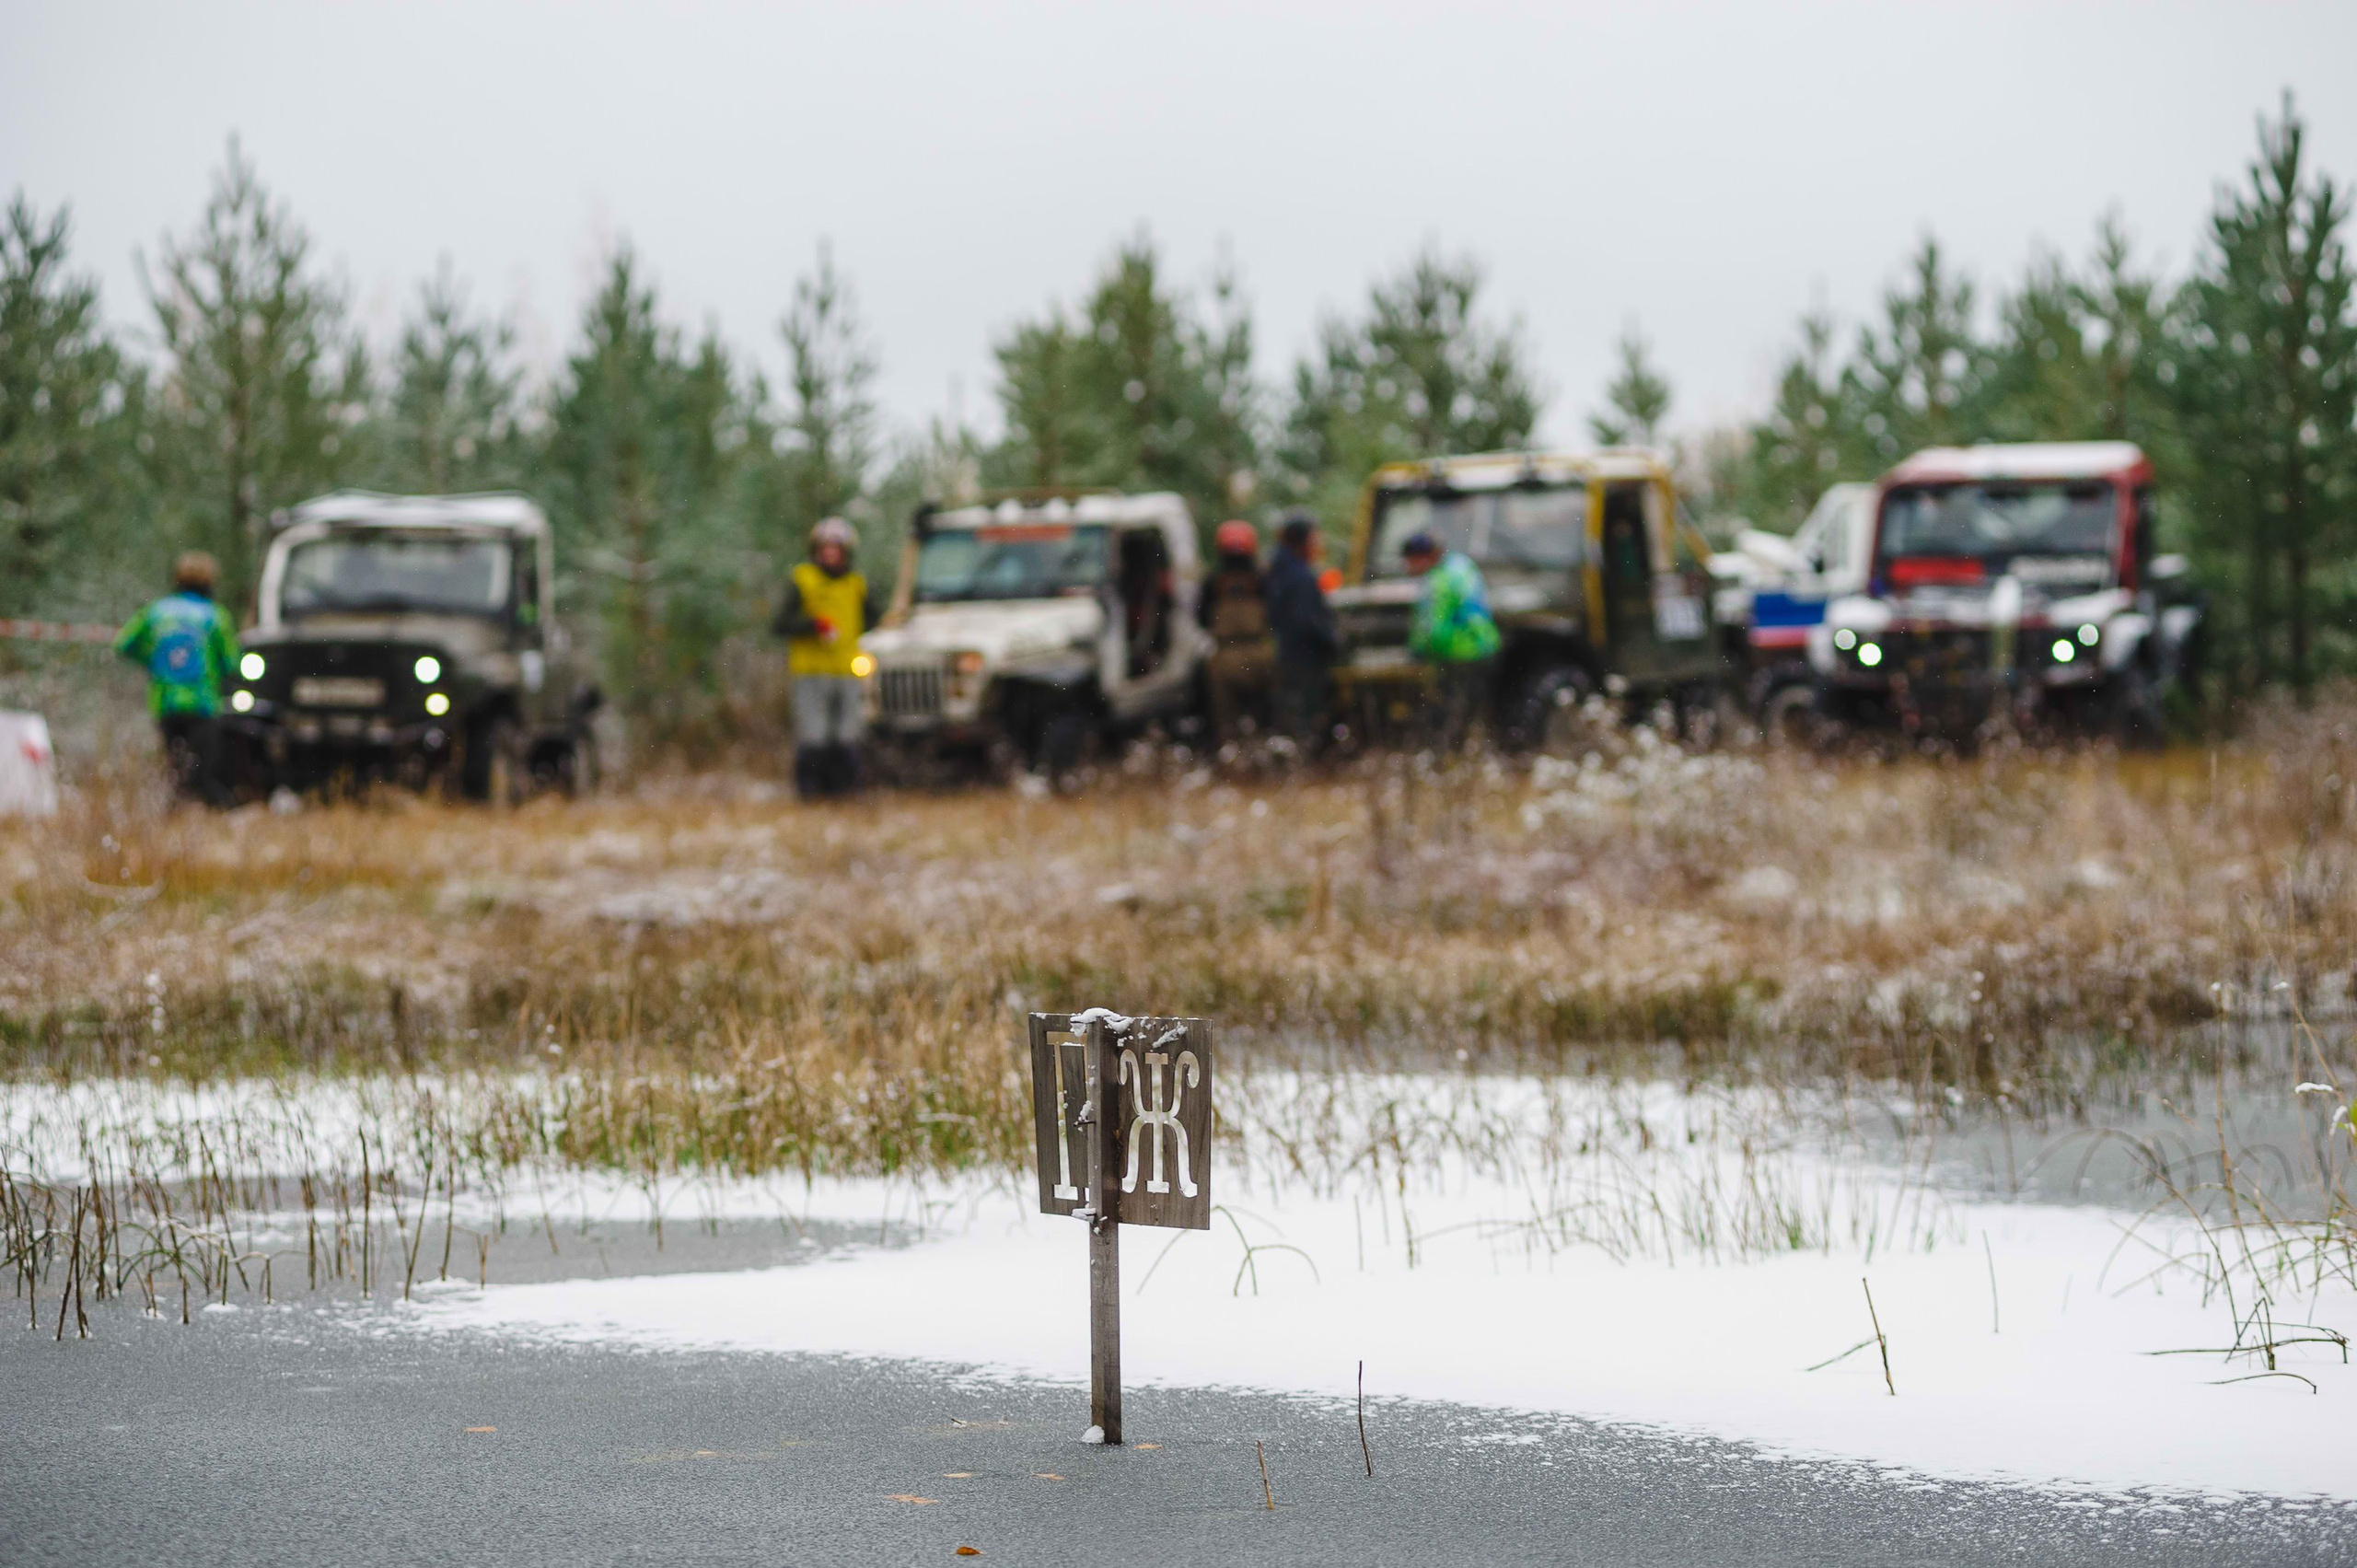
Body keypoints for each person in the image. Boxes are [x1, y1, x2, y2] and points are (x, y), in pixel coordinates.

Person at [115, 552, 241, 805]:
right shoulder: (214, 615)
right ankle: (203, 814)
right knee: (201, 768)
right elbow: (231, 661)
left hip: (165, 701)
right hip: (202, 702)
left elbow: (124, 643)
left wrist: (152, 661)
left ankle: (175, 812)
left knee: (175, 762)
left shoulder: (157, 612)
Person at [773, 517, 880, 799]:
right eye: (826, 548)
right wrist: (811, 625)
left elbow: (874, 621)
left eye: (837, 548)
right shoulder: (803, 579)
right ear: (816, 550)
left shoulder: (857, 584)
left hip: (848, 670)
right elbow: (781, 624)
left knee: (847, 736)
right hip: (811, 671)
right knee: (814, 736)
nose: (831, 554)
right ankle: (810, 793)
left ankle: (844, 792)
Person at [1400, 530, 1500, 751]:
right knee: (1475, 713)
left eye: (1410, 561)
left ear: (1424, 557)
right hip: (1485, 648)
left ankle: (1449, 760)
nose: (1407, 568)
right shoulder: (1461, 565)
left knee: (1448, 717)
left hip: (1459, 654)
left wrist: (1416, 652)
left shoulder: (1438, 581)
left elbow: (1433, 630)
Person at [1262, 512, 1338, 749]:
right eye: (1315, 539)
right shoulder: (1300, 577)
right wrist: (1333, 642)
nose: (1318, 545)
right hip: (1304, 659)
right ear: (1303, 542)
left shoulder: (1276, 570)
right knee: (1306, 716)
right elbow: (1308, 622)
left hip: (1285, 655)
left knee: (1290, 713)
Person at [1196, 518, 1272, 743]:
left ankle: (1229, 760)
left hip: (1225, 657)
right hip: (1261, 653)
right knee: (1264, 715)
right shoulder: (1261, 578)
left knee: (1225, 722)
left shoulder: (1212, 581)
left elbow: (1201, 618)